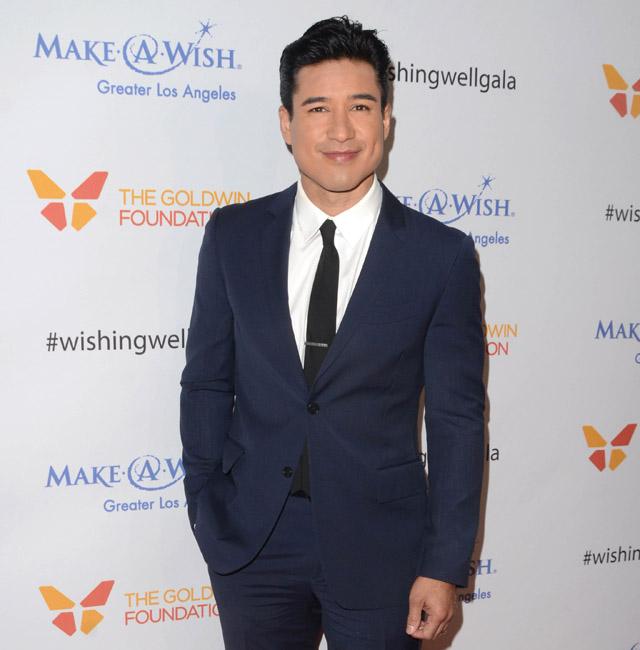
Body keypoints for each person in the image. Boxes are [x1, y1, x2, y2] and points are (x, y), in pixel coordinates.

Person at [180, 15, 485, 649]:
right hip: (253, 540)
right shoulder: (233, 237)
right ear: (287, 122)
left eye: (361, 107)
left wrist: (443, 563)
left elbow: (456, 420)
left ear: (387, 120)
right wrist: (206, 500)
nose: (341, 130)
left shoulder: (441, 256)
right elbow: (206, 382)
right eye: (318, 108)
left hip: (385, 545)